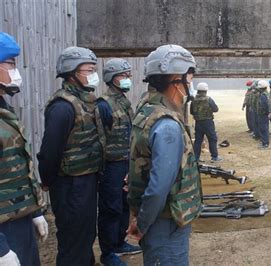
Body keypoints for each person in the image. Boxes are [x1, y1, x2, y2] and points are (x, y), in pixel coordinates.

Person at [127, 44, 202, 266]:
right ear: (176, 79)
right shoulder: (167, 124)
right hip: (166, 220)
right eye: (189, 77)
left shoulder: (147, 109)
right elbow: (159, 186)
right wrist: (142, 223)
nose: (190, 83)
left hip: (157, 217)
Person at [37, 46, 103, 265]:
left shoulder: (87, 100)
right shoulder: (63, 107)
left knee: (84, 234)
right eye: (88, 69)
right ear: (71, 72)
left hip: (85, 181)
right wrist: (47, 179)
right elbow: (50, 151)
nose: (93, 74)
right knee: (73, 237)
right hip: (70, 184)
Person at [0, 32, 48, 266]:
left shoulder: (5, 110)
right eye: (10, 63)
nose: (15, 71)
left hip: (18, 218)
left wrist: (35, 211)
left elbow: (18, 167)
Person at [97, 58, 142, 265]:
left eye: (127, 76)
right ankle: (107, 253)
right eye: (122, 76)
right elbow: (100, 138)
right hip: (111, 165)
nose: (126, 80)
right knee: (111, 208)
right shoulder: (104, 104)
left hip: (126, 161)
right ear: (111, 79)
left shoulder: (123, 101)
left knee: (125, 204)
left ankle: (119, 241)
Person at [191, 82, 222, 162]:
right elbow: (216, 109)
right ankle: (214, 156)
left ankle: (196, 158)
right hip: (208, 122)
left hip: (198, 122)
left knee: (198, 140)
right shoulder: (208, 99)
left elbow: (191, 111)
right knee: (212, 138)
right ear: (205, 90)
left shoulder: (193, 100)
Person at [256, 80, 271, 149]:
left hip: (263, 115)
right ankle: (264, 142)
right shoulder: (265, 94)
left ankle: (265, 144)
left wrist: (267, 113)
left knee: (264, 129)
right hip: (263, 114)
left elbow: (265, 105)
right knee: (263, 129)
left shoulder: (263, 95)